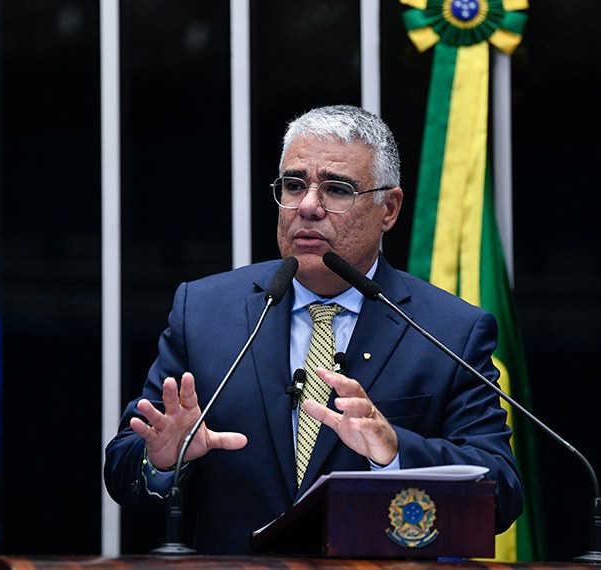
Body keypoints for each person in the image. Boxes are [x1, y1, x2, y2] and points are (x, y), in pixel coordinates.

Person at [104, 104, 523, 555]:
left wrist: (394, 450)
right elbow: (124, 468)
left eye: (337, 189)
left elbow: (500, 493)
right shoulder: (205, 312)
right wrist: (161, 461)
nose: (307, 206)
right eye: (293, 184)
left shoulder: (449, 330)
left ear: (389, 209)